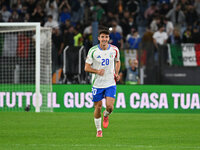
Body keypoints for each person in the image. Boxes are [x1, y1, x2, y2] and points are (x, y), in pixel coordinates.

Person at [84, 28, 121, 137]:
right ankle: (99, 130)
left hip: (110, 82)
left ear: (109, 38)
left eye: (106, 37)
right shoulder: (93, 51)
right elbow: (86, 68)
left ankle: (106, 115)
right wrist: (96, 71)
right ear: (98, 38)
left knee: (110, 107)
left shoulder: (114, 50)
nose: (104, 39)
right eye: (102, 37)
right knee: (98, 107)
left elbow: (117, 61)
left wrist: (117, 73)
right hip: (97, 84)